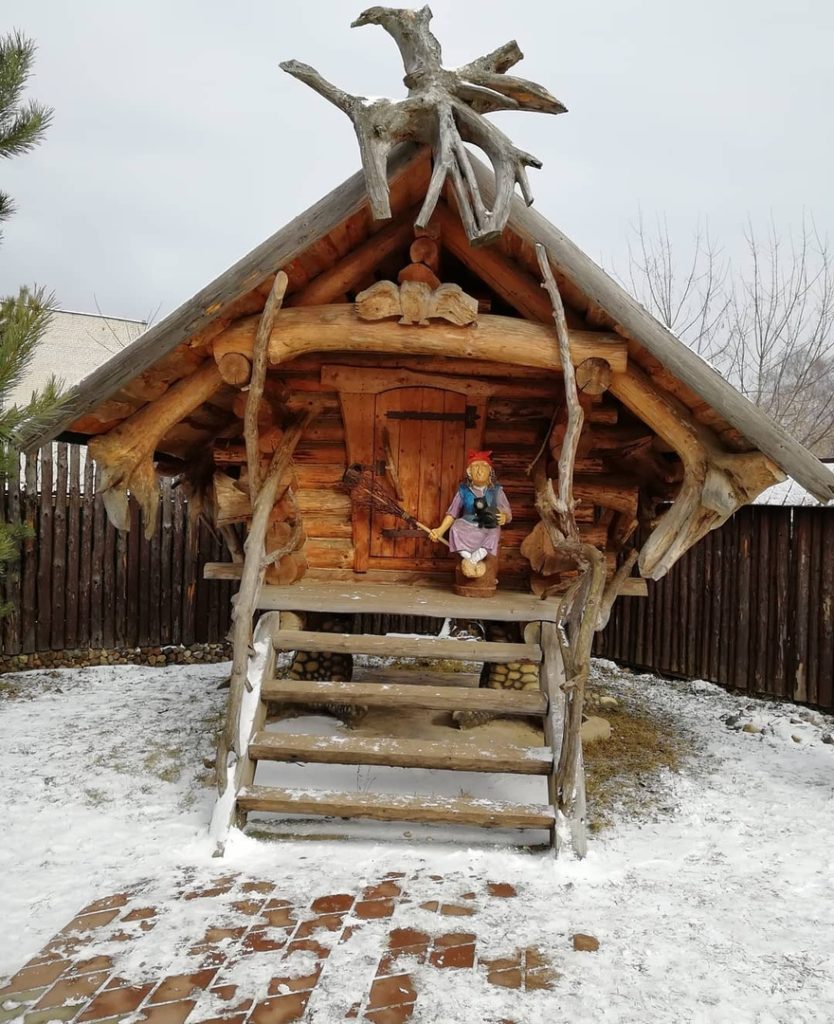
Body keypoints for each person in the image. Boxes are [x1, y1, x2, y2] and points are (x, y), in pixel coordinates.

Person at [429, 450, 511, 578]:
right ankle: (469, 558)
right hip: (467, 525)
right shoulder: (463, 491)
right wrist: (440, 530)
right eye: (475, 468)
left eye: (483, 467)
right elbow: (452, 513)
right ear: (469, 473)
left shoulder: (496, 491)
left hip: (486, 524)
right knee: (455, 527)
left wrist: (504, 516)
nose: (479, 471)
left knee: (494, 529)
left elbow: (506, 511)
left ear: (490, 472)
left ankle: (472, 560)